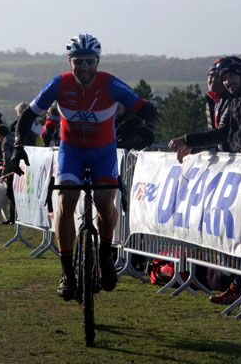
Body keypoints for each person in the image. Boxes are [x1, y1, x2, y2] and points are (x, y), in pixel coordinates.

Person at [11, 34, 158, 301]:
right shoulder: (59, 84)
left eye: (90, 61)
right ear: (70, 61)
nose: (84, 67)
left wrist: (148, 131)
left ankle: (104, 256)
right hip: (72, 152)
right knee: (66, 201)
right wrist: (18, 145)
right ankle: (67, 273)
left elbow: (148, 110)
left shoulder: (110, 84)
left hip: (103, 153)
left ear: (98, 61)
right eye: (78, 61)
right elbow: (29, 114)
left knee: (104, 200)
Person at [168, 56, 241, 312]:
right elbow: (227, 136)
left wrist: (240, 142)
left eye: (232, 76)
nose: (228, 81)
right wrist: (189, 140)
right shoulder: (235, 100)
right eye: (224, 78)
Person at [0, 124, 16, 223]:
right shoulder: (16, 137)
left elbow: (7, 161)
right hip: (22, 169)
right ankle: (14, 217)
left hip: (12, 171)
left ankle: (13, 218)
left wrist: (3, 175)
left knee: (10, 193)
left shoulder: (5, 143)